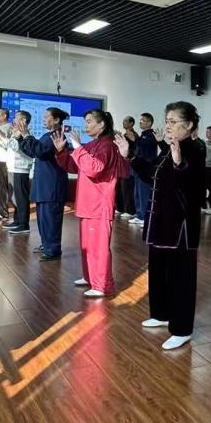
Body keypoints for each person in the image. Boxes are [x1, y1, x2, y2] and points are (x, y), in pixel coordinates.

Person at [131, 102, 205, 350]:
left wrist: (177, 163)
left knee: (181, 278)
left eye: (173, 121)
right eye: (168, 120)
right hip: (161, 221)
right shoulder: (169, 148)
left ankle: (182, 328)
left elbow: (192, 188)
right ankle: (161, 313)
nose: (168, 125)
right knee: (159, 270)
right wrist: (131, 155)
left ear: (190, 125)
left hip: (180, 227)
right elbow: (152, 173)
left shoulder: (194, 150)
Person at [51, 110, 130, 297]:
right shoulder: (93, 144)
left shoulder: (107, 146)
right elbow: (74, 166)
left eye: (89, 122)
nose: (85, 126)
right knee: (87, 245)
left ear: (101, 125)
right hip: (87, 203)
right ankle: (90, 278)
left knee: (98, 247)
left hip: (99, 204)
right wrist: (62, 151)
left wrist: (78, 148)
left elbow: (95, 169)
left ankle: (102, 285)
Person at [17, 107, 71, 260]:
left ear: (56, 120)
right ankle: (47, 245)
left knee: (51, 219)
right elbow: (33, 151)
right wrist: (22, 138)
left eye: (47, 116)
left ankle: (52, 249)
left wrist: (27, 135)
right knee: (43, 219)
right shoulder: (48, 135)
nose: (43, 118)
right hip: (44, 184)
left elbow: (41, 151)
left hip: (51, 185)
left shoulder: (56, 136)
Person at [129, 113, 159, 227]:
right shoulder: (142, 135)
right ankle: (139, 214)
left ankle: (145, 217)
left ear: (149, 123)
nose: (140, 122)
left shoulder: (151, 135)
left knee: (144, 193)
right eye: (140, 120)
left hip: (146, 168)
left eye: (143, 120)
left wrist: (135, 140)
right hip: (138, 167)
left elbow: (146, 146)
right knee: (137, 192)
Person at [117, 116, 139, 218]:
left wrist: (133, 141)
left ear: (131, 123)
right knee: (120, 188)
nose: (124, 122)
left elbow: (135, 150)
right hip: (121, 164)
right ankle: (120, 208)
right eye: (123, 120)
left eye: (126, 121)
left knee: (128, 188)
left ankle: (130, 211)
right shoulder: (124, 135)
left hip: (128, 165)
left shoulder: (134, 135)